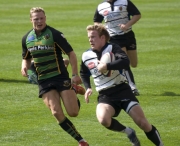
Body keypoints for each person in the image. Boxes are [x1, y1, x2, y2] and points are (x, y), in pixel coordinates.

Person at [80, 24, 163, 146]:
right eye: (89, 37)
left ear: (102, 38)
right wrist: (88, 88)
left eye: (93, 37)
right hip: (105, 95)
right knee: (103, 119)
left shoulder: (113, 48)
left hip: (122, 90)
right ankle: (128, 132)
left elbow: (125, 61)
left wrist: (107, 66)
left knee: (143, 124)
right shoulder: (86, 55)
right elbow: (84, 72)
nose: (90, 40)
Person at [21, 7, 89, 146]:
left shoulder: (54, 34)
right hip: (44, 80)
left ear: (45, 18)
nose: (39, 21)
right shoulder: (26, 38)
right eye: (36, 19)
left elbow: (71, 54)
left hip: (59, 77)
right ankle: (81, 140)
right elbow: (26, 57)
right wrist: (24, 66)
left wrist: (75, 74)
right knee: (56, 112)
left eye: (41, 18)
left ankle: (73, 89)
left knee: (73, 112)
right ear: (31, 20)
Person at [93, 0, 141, 96]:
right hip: (114, 38)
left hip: (128, 36)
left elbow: (137, 15)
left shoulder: (124, 2)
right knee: (124, 61)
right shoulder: (101, 6)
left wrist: (127, 25)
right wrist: (103, 29)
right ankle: (132, 87)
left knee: (134, 64)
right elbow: (96, 22)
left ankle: (125, 81)